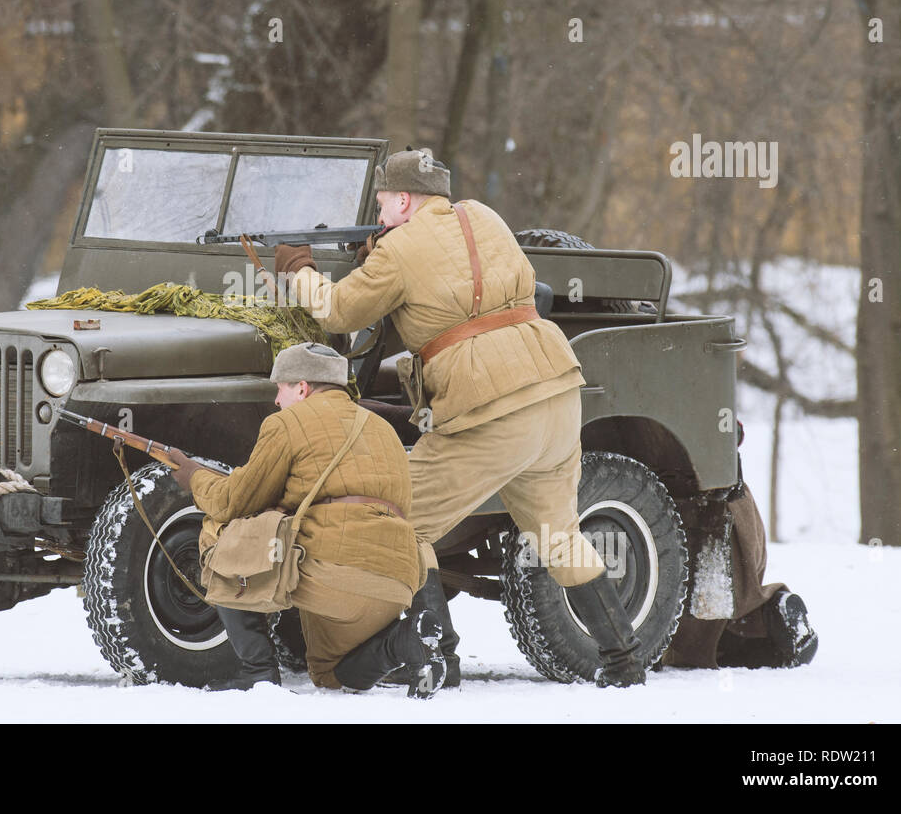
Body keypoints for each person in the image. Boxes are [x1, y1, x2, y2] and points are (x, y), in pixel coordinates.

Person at [276, 148, 646, 688]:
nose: (379, 216)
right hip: (557, 390)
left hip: (490, 407)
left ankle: (439, 657)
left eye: (382, 204)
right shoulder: (486, 217)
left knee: (401, 520)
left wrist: (299, 269)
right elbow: (463, 278)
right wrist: (385, 252)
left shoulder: (398, 248)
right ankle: (623, 662)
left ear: (404, 199)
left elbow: (337, 311)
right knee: (559, 534)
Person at [166, 342, 446, 696]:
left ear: (302, 386)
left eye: (280, 388)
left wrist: (193, 475)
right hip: (397, 582)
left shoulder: (286, 422)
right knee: (331, 674)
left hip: (336, 575)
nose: (276, 400)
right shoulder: (383, 430)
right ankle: (404, 641)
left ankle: (258, 670)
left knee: (221, 530)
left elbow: (232, 502)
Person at [661, 478, 818, 670]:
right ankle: (765, 619)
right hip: (735, 506)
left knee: (689, 635)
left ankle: (756, 628)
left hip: (697, 519)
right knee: (721, 613)